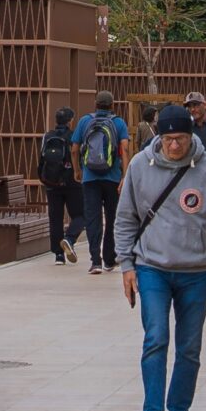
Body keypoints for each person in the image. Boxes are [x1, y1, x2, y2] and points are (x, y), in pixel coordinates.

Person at [115, 104, 206, 411]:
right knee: (156, 338)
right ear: (159, 138)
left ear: (191, 137)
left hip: (195, 271)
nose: (174, 146)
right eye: (168, 139)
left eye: (181, 139)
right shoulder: (140, 166)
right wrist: (126, 265)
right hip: (152, 267)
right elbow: (125, 218)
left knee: (189, 347)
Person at [72, 92, 130, 275]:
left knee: (93, 218)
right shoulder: (119, 123)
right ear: (112, 105)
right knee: (112, 218)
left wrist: (77, 170)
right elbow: (125, 149)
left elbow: (74, 149)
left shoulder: (84, 121)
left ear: (95, 104)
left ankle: (95, 261)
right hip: (112, 178)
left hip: (90, 177)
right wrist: (125, 175)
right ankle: (109, 258)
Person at [38, 106, 85, 264]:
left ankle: (58, 255)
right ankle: (69, 239)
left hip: (51, 182)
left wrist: (44, 178)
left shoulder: (47, 136)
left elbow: (42, 159)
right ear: (70, 121)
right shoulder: (74, 136)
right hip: (72, 181)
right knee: (80, 215)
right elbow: (79, 155)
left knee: (55, 218)